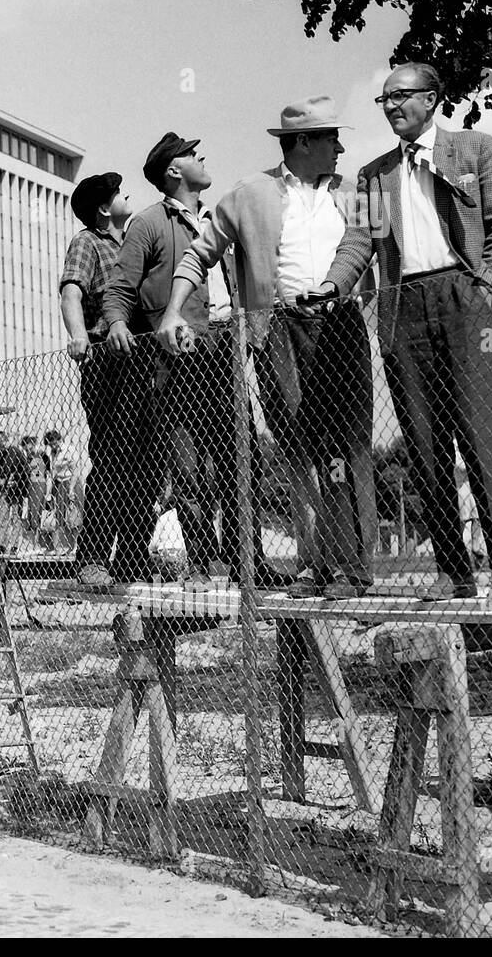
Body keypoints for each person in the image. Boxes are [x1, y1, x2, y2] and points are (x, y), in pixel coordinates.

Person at [157, 99, 378, 600]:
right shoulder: (249, 192)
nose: (340, 147)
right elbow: (200, 253)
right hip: (276, 329)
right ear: (302, 143)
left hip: (339, 323)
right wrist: (173, 312)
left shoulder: (356, 191)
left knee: (347, 447)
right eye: (330, 139)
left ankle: (353, 567)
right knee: (299, 447)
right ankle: (315, 563)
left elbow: (371, 243)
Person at [325, 63, 492, 601]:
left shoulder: (473, 149)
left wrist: (487, 287)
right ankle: (452, 571)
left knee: (482, 431)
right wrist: (333, 284)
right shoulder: (372, 174)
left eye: (401, 96)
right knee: (423, 443)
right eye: (384, 99)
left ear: (432, 98)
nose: (391, 106)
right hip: (401, 308)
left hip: (466, 298)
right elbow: (359, 241)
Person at [103, 134, 293, 590]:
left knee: (239, 459)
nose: (204, 158)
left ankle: (249, 560)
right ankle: (205, 565)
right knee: (187, 465)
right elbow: (120, 287)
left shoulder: (216, 220)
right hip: (177, 362)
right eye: (193, 155)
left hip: (224, 352)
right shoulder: (149, 223)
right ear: (174, 171)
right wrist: (116, 323)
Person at [58, 170, 157, 588]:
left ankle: (133, 557)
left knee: (148, 465)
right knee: (113, 459)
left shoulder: (133, 241)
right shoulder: (87, 241)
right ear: (104, 208)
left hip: (144, 360)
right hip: (106, 361)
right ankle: (94, 557)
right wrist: (79, 336)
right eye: (118, 193)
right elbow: (71, 292)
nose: (126, 194)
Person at [40, 430, 82, 554]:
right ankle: (61, 546)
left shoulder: (69, 449)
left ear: (58, 440)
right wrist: (49, 492)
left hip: (69, 482)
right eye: (50, 444)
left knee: (72, 517)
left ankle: (75, 546)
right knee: (59, 516)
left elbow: (75, 470)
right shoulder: (53, 453)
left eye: (53, 443)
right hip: (58, 484)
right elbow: (52, 473)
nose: (52, 446)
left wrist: (71, 490)